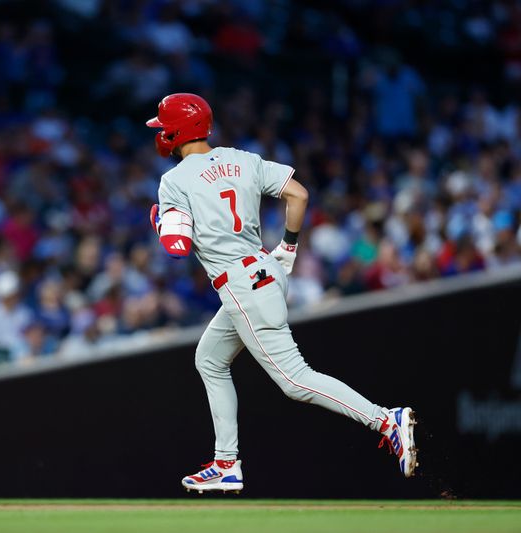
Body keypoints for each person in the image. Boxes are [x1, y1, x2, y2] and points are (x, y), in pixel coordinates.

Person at [145, 93, 418, 493]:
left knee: (294, 379)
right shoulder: (243, 158)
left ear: (174, 131)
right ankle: (226, 463)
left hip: (241, 284)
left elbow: (176, 248)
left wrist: (159, 222)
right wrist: (288, 246)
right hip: (265, 270)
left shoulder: (174, 180)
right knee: (210, 359)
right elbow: (299, 194)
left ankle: (385, 419)